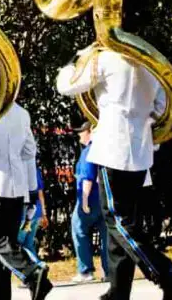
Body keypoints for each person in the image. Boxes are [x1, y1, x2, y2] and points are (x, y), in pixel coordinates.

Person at [57, 46, 172, 300]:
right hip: (140, 151)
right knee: (123, 223)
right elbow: (160, 108)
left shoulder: (104, 58)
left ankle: (164, 270)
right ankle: (118, 289)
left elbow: (66, 85)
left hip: (112, 149)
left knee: (117, 220)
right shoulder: (150, 62)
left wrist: (75, 58)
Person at [0, 103, 52, 300]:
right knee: (4, 252)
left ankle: (33, 272)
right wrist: (31, 192)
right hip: (17, 188)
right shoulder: (22, 113)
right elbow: (29, 152)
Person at [70, 122, 109, 284]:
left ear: (89, 132)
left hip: (89, 199)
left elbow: (88, 177)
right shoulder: (103, 149)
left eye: (82, 131)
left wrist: (84, 200)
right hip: (103, 199)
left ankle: (85, 271)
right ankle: (110, 271)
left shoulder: (88, 151)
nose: (79, 135)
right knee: (106, 235)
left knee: (78, 229)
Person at [18, 165, 46, 259]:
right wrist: (43, 214)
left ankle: (34, 268)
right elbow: (40, 194)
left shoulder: (19, 168)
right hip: (36, 213)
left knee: (19, 244)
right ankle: (38, 269)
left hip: (27, 215)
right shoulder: (35, 170)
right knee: (29, 244)